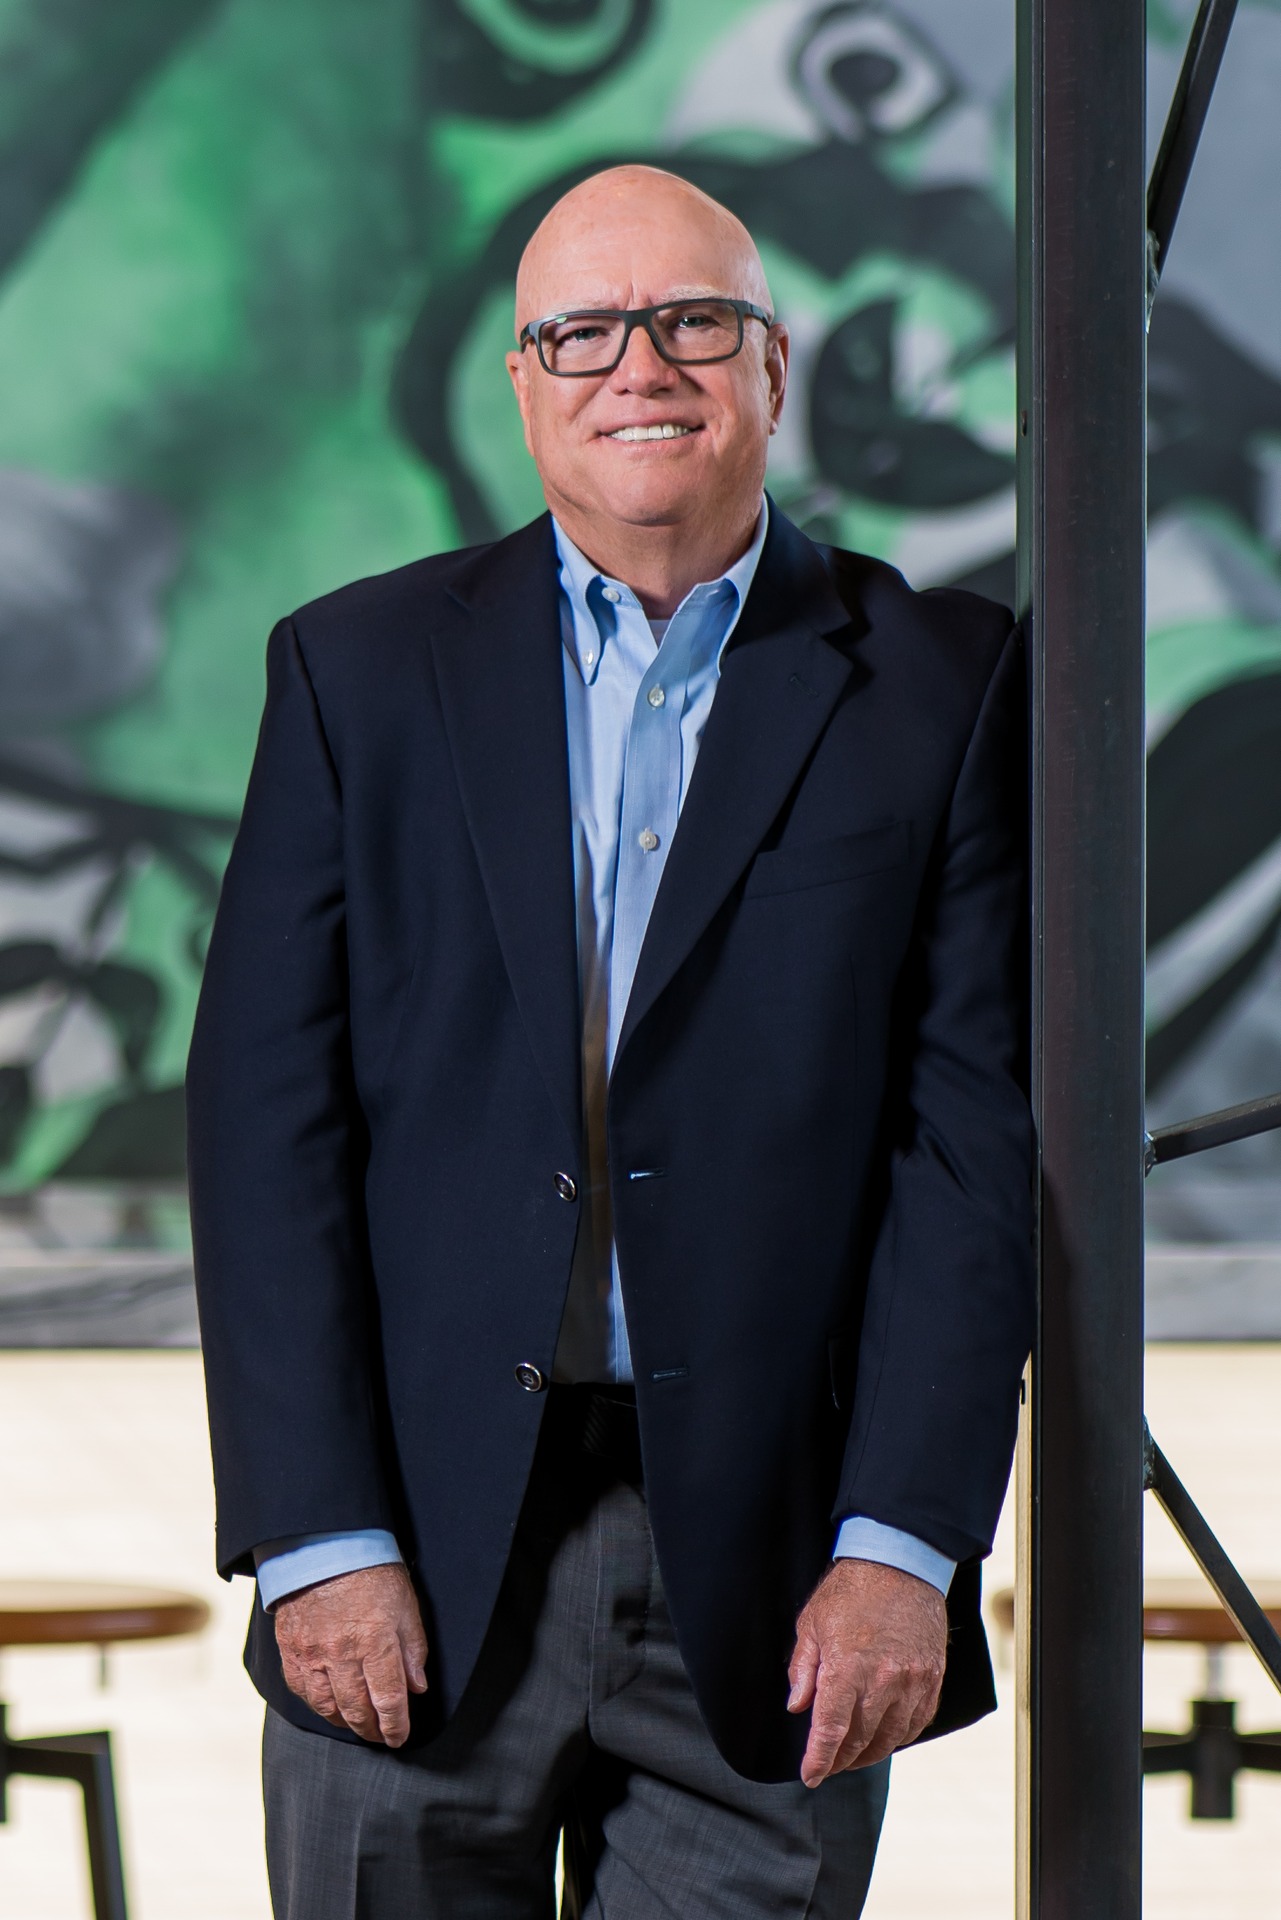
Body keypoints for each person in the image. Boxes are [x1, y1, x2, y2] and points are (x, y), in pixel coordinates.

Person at [188, 164, 1034, 1919]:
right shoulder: (353, 674)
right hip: (406, 1566)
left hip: (781, 1585)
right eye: (581, 331)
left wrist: (901, 1550)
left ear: (772, 368)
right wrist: (319, 1538)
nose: (637, 366)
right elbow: (264, 1126)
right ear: (521, 383)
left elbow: (973, 1145)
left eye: (693, 322)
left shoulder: (949, 684)